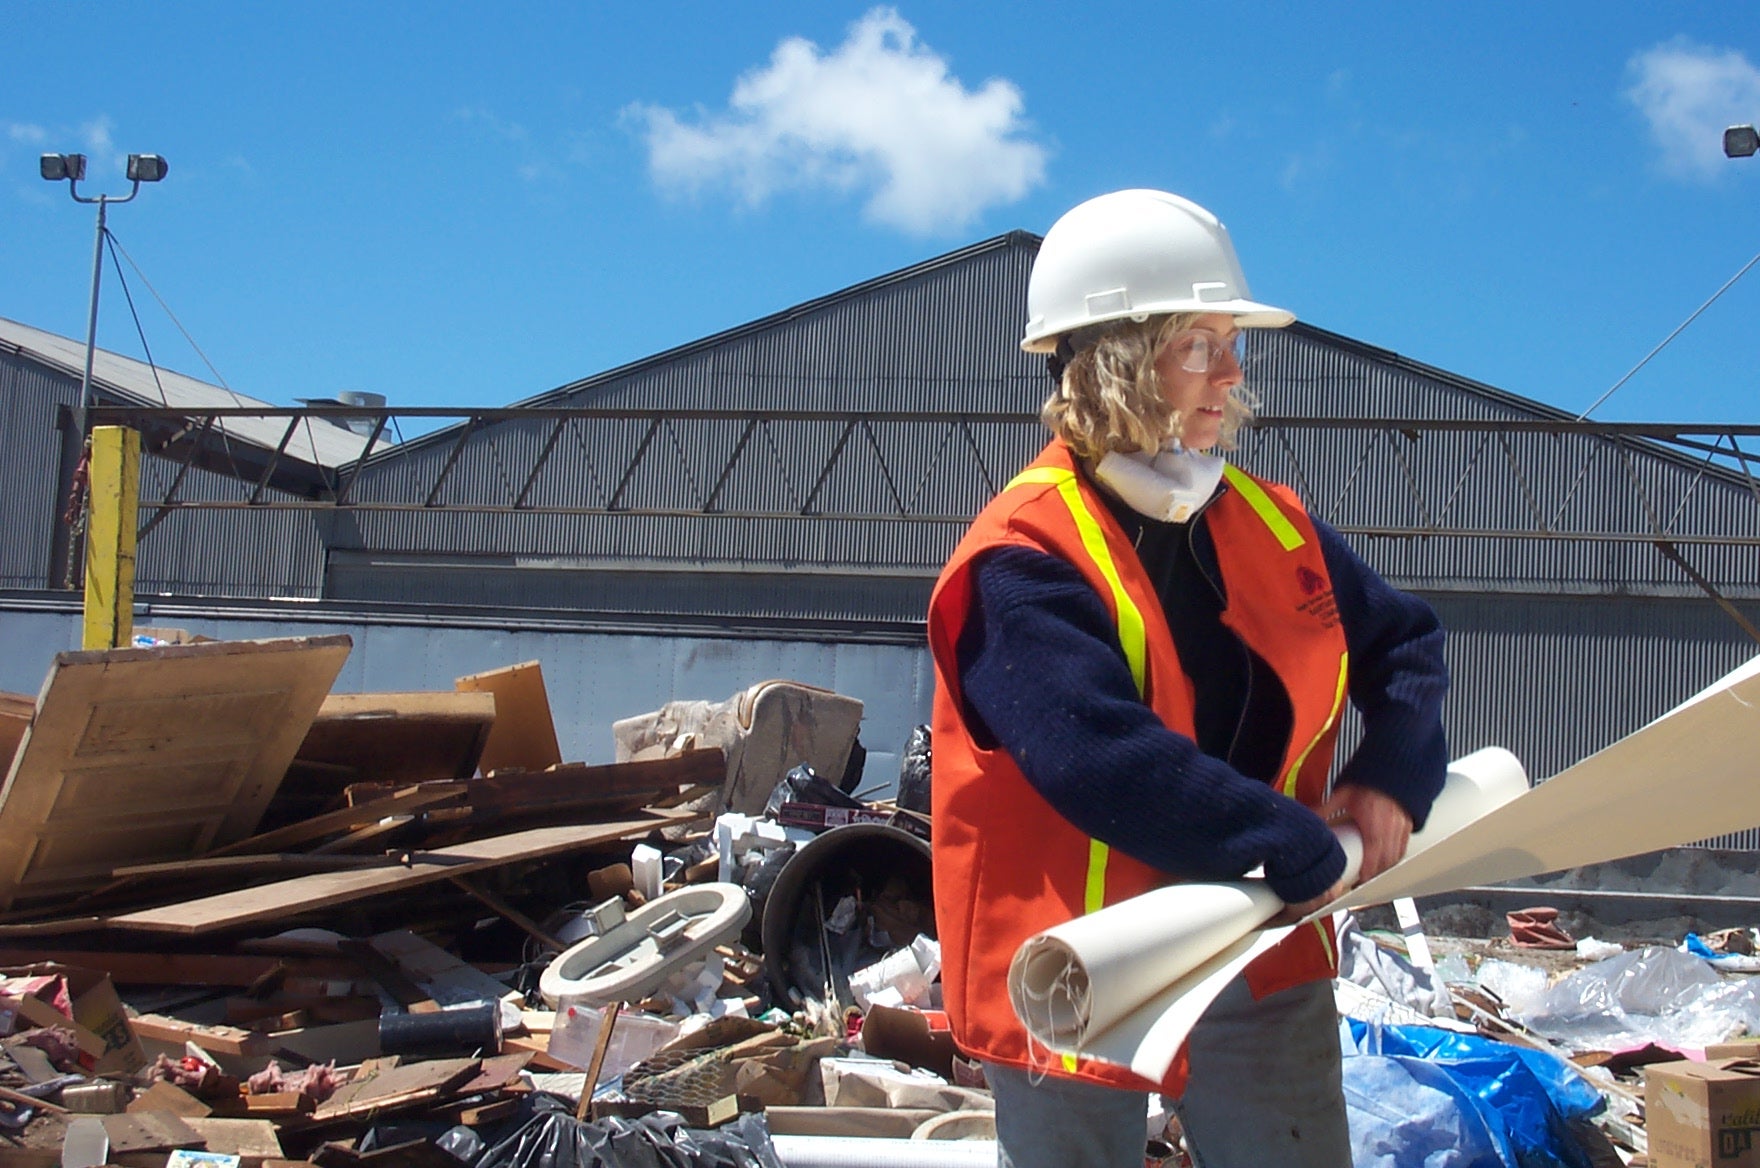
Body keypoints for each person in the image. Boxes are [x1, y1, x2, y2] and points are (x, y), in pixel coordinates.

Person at [927, 189, 1450, 1168]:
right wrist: (1293, 844)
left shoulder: (1271, 521)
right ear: (1115, 361)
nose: (1230, 372)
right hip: (1078, 965)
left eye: (1228, 343)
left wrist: (1390, 772)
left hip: (1259, 939)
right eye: (1197, 344)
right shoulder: (1021, 552)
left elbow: (1406, 645)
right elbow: (1094, 752)